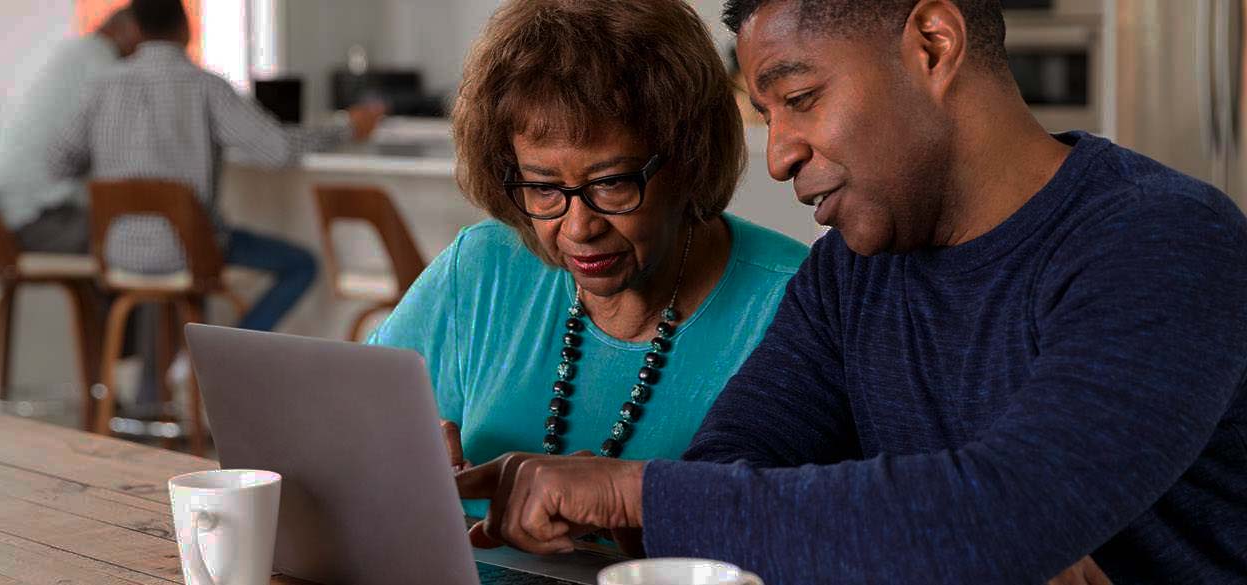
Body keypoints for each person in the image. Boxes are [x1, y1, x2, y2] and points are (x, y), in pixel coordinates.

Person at [453, 1, 1247, 583]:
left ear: (933, 44)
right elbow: (726, 472)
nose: (778, 155)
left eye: (799, 99)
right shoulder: (851, 273)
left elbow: (1003, 516)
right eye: (766, 114)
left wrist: (631, 491)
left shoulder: (1164, 240)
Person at [367, 0, 808, 524]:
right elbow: (344, 427)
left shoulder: (798, 302)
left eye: (612, 183)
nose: (578, 228)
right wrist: (383, 457)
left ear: (689, 158)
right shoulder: (481, 267)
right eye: (543, 188)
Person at [47, 0, 384, 333]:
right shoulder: (205, 87)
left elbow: (58, 162)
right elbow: (278, 149)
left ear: (133, 29)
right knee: (301, 264)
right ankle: (223, 354)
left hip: (117, 254)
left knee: (172, 277)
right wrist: (348, 128)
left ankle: (176, 375)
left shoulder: (99, 88)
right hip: (190, 252)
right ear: (186, 29)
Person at [0, 9, 140, 253]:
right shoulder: (103, 67)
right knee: (145, 242)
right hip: (31, 221)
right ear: (131, 31)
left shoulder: (71, 53)